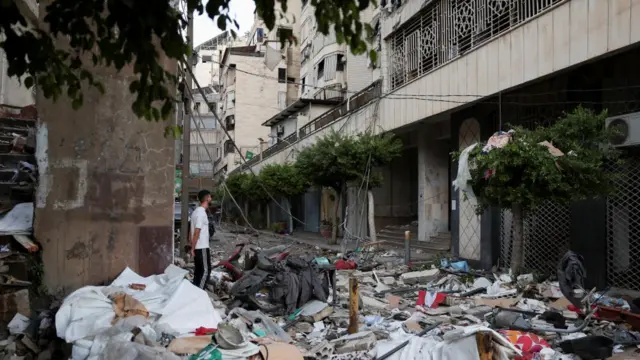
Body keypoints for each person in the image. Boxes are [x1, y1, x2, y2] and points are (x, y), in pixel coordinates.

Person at [190, 189, 212, 289]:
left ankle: (195, 291)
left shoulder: (195, 212)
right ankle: (200, 293)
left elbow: (190, 231)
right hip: (201, 246)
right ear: (207, 198)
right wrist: (193, 248)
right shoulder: (201, 213)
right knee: (206, 271)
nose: (211, 198)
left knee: (198, 271)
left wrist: (192, 246)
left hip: (198, 247)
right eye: (210, 196)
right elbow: (197, 231)